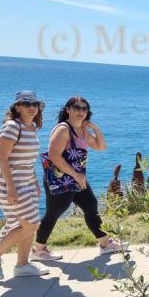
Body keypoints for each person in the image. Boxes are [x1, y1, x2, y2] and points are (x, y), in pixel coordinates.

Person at [31, 96, 121, 261]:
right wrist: (76, 175)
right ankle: (38, 250)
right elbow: (54, 156)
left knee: (90, 206)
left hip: (76, 178)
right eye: (76, 108)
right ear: (68, 110)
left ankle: (105, 244)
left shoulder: (82, 131)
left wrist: (94, 127)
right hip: (61, 178)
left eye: (84, 108)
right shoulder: (63, 129)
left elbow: (101, 146)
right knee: (54, 213)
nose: (81, 111)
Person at [0, 91, 49, 280]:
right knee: (31, 224)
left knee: (25, 224)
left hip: (26, 182)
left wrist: (35, 183)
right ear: (17, 107)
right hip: (10, 183)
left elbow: (28, 161)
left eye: (35, 104)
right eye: (26, 104)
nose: (32, 107)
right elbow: (2, 158)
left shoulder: (30, 128)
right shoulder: (12, 126)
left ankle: (22, 266)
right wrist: (11, 187)